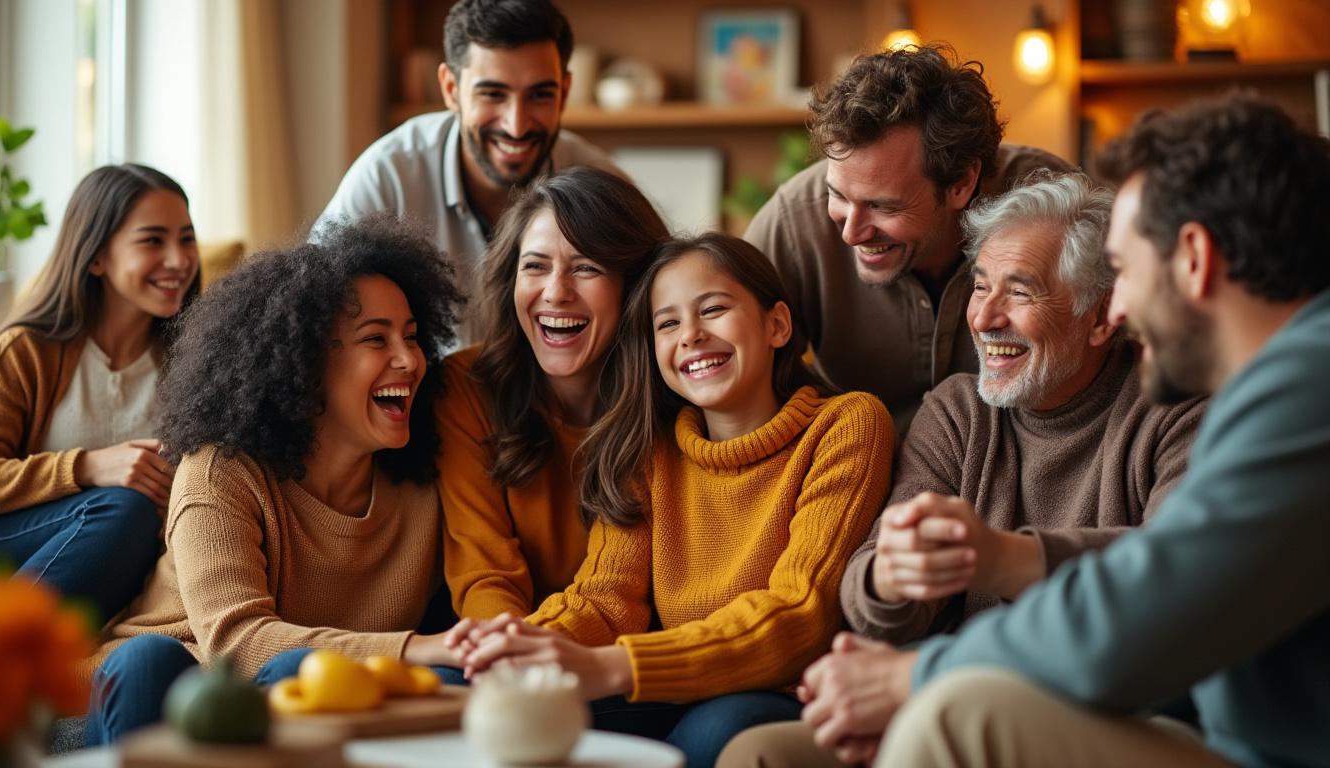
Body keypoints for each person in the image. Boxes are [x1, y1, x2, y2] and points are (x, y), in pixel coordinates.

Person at [783, 95, 1330, 768]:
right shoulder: (1285, 377)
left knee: (957, 719)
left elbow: (1152, 603)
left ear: (1193, 258)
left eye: (1124, 271)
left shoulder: (1306, 387)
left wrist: (912, 678)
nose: (1120, 305)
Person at [718, 171, 1205, 768]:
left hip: (1109, 713)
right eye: (979, 287)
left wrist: (997, 555)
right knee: (759, 752)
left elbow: (1179, 573)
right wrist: (892, 576)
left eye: (1020, 293)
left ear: (1103, 316)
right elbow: (871, 602)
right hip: (947, 688)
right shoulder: (957, 411)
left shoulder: (1173, 411)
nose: (983, 318)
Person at [448, 233, 895, 768]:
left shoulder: (845, 425)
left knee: (709, 737)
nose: (691, 336)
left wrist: (618, 668)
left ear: (777, 324)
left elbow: (800, 612)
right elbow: (605, 599)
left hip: (779, 688)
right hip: (661, 680)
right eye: (667, 324)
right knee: (467, 694)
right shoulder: (651, 448)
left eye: (713, 309)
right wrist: (518, 647)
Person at [82, 216, 464, 745]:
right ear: (304, 366)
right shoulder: (220, 470)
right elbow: (236, 643)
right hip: (159, 688)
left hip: (307, 701)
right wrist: (416, 646)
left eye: (413, 337)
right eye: (376, 338)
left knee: (448, 680)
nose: (409, 360)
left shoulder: (427, 476)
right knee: (158, 658)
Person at [745, 44, 1071, 434]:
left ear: (962, 182)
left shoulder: (1052, 204)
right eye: (838, 196)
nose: (850, 232)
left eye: (883, 206)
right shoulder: (793, 219)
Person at [435, 166, 669, 626]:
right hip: (512, 650)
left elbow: (621, 597)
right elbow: (484, 577)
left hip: (630, 663)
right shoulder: (466, 387)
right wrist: (511, 652)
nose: (555, 292)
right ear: (512, 281)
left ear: (635, 285)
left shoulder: (672, 398)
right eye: (536, 266)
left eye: (586, 268)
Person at [314, 0, 624, 344]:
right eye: (493, 94)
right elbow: (315, 312)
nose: (516, 125)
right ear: (450, 89)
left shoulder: (603, 184)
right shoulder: (388, 178)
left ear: (565, 92)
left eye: (539, 95)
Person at [0, 164, 198, 624]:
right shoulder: (25, 351)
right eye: (153, 240)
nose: (179, 259)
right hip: (14, 541)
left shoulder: (198, 360)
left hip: (132, 560)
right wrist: (87, 466)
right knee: (124, 508)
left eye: (186, 238)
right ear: (97, 256)